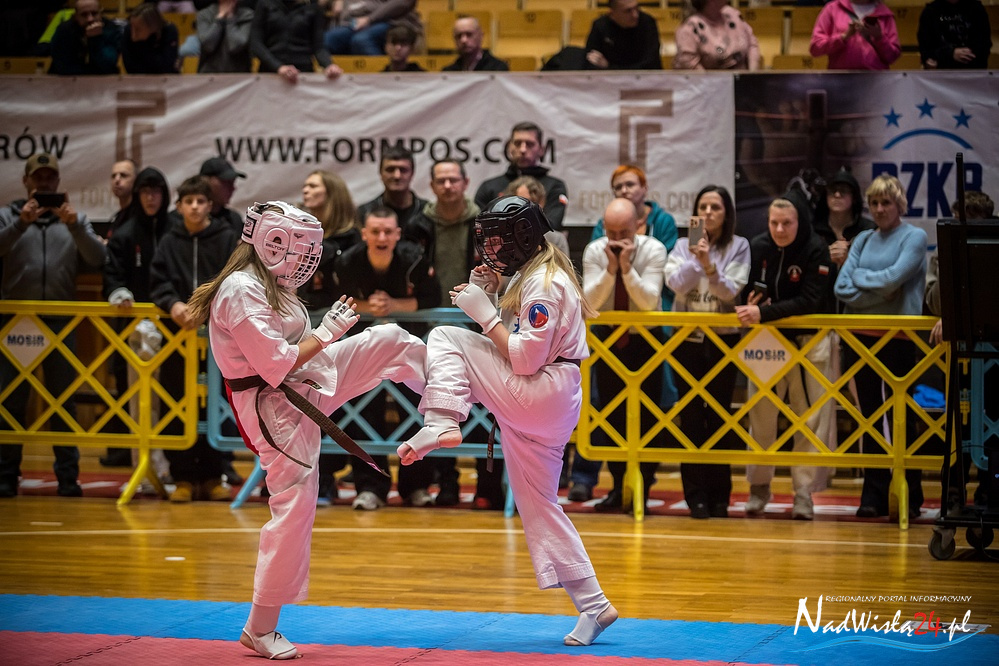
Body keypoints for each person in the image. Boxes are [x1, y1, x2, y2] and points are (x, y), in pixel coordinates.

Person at [186, 201, 427, 659]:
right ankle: (259, 628)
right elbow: (276, 364)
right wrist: (327, 333)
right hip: (272, 407)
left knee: (389, 339)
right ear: (270, 244)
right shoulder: (240, 290)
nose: (305, 259)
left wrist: (324, 334)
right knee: (294, 507)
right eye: (298, 249)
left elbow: (294, 350)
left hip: (302, 381)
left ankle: (450, 403)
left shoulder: (270, 281)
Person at [396, 195, 617, 647]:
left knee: (445, 336)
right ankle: (594, 605)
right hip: (550, 400)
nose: (491, 247)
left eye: (498, 239)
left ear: (523, 237)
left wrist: (483, 312)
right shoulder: (534, 276)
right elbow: (515, 342)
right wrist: (493, 298)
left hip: (542, 389)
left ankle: (442, 418)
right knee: (540, 507)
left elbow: (522, 359)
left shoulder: (545, 284)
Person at [0, 153, 107, 498]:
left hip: (61, 321)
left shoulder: (75, 219)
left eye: (49, 178)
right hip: (17, 322)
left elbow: (99, 259)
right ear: (26, 181)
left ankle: (68, 477)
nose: (44, 183)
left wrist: (74, 226)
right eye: (38, 178)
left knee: (64, 401)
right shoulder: (7, 216)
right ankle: (5, 476)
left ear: (58, 182)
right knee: (11, 400)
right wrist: (21, 223)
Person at [334, 207, 440, 509]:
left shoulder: (415, 259)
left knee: (418, 409)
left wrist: (394, 305)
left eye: (388, 232)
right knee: (362, 413)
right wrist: (370, 307)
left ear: (397, 235)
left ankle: (416, 486)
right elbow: (337, 300)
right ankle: (371, 486)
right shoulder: (346, 261)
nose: (381, 237)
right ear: (364, 234)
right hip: (363, 348)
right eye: (375, 231)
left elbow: (432, 298)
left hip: (409, 346)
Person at [735, 196, 834, 521]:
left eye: (786, 223)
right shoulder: (759, 246)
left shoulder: (816, 249)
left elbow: (811, 300)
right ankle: (759, 487)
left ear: (799, 222)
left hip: (808, 342)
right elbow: (747, 291)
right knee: (761, 417)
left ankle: (803, 492)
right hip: (766, 342)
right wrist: (752, 301)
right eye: (774, 222)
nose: (779, 229)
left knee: (809, 419)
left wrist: (764, 312)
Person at [834, 174, 926, 519]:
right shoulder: (862, 238)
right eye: (874, 203)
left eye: (886, 202)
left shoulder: (914, 237)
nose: (879, 209)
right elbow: (843, 288)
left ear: (899, 204)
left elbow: (895, 278)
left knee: (904, 417)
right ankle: (872, 495)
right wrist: (882, 291)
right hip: (860, 337)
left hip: (899, 337)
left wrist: (865, 282)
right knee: (869, 417)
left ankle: (911, 495)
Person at [663, 185, 750, 519]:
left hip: (723, 340)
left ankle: (720, 495)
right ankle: (695, 496)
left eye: (716, 207)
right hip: (687, 340)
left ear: (727, 213)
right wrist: (697, 262)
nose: (709, 213)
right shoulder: (682, 246)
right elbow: (675, 284)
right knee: (691, 416)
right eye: (703, 207)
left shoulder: (738, 245)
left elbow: (731, 292)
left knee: (719, 416)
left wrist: (709, 266)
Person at [150, 175, 238, 502]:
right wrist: (173, 304)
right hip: (179, 338)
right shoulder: (168, 241)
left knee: (217, 402)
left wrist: (210, 308)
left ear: (210, 205)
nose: (195, 207)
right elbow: (158, 281)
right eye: (189, 201)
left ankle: (215, 474)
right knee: (178, 401)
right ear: (179, 206)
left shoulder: (227, 239)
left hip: (218, 337)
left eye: (201, 201)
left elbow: (235, 280)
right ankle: (183, 477)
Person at [581, 198, 668, 512]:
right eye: (611, 232)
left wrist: (627, 269)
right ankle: (618, 486)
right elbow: (590, 302)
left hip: (646, 339)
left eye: (625, 233)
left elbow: (649, 302)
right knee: (611, 416)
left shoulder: (655, 249)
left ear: (638, 226)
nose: (617, 240)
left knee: (649, 415)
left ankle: (642, 486)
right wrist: (611, 270)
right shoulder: (595, 251)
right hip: (608, 341)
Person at [404, 159, 480, 507]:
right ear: (432, 186)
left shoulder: (483, 223)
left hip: (477, 326)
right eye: (441, 180)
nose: (448, 186)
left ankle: (487, 489)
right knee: (433, 408)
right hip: (428, 327)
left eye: (454, 179)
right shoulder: (417, 224)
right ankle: (439, 484)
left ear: (465, 182)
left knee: (478, 408)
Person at [102, 167, 174, 477]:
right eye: (145, 192)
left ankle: (173, 467)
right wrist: (119, 293)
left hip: (175, 327)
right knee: (140, 400)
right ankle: (144, 471)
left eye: (156, 191)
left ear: (164, 195)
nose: (150, 198)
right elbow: (112, 276)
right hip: (136, 330)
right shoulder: (125, 233)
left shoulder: (176, 230)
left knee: (174, 398)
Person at [927, 191, 995, 514]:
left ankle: (990, 491)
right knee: (958, 425)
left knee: (992, 422)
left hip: (992, 354)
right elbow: (933, 301)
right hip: (961, 355)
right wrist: (950, 256)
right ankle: (953, 495)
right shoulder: (942, 253)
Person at [475, 122, 568, 231]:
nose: (523, 149)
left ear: (541, 149)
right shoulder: (489, 187)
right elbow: (480, 227)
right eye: (517, 143)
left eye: (530, 144)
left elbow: (551, 225)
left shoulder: (554, 187)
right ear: (509, 147)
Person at [811, 168, 875, 309]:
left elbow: (876, 271)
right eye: (832, 191)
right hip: (820, 308)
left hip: (857, 308)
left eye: (843, 191)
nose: (837, 195)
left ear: (854, 197)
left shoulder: (869, 230)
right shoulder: (813, 230)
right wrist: (825, 258)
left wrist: (849, 262)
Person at [251, 0, 343, 83]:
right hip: (270, 73)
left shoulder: (313, 7)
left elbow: (319, 47)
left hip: (302, 74)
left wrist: (329, 65)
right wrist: (278, 67)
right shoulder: (265, 3)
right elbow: (256, 43)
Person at [810, 0, 901, 70]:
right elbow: (815, 48)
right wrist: (844, 37)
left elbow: (892, 57)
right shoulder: (832, 9)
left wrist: (879, 37)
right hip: (840, 79)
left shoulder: (885, 14)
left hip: (876, 80)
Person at [673, 0, 760, 70]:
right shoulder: (690, 27)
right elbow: (689, 64)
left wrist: (751, 74)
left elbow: (752, 44)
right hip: (709, 84)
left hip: (743, 81)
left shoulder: (733, 14)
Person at [356, 145, 428, 229]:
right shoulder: (365, 213)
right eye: (390, 170)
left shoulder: (427, 213)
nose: (397, 176)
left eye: (403, 170)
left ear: (412, 174)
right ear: (380, 173)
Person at [47, 0, 121, 75]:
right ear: (76, 16)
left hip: (102, 79)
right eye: (84, 15)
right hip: (69, 79)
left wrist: (95, 39)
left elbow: (108, 65)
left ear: (100, 12)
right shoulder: (64, 30)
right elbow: (63, 66)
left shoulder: (111, 29)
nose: (90, 19)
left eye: (94, 13)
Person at [323, 0, 421, 56]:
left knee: (361, 40)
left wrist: (370, 19)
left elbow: (404, 2)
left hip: (391, 20)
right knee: (327, 39)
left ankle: (381, 78)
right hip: (355, 21)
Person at [584, 0, 661, 70]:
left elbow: (650, 64)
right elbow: (591, 61)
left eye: (637, 8)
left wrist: (609, 67)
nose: (635, 15)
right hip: (609, 79)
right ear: (612, 13)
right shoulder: (600, 26)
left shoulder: (647, 23)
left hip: (645, 79)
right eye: (628, 11)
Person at [917, 0, 992, 69]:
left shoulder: (977, 9)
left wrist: (964, 55)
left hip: (972, 71)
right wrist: (950, 54)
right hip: (941, 74)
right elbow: (925, 51)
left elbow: (984, 45)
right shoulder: (930, 11)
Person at [197, 0, 255, 73]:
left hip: (239, 73)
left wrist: (230, 19)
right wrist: (220, 18)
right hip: (208, 72)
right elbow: (208, 45)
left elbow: (236, 45)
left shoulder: (247, 15)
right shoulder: (204, 14)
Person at [122, 2, 181, 74]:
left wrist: (144, 47)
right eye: (131, 26)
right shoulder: (128, 31)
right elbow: (130, 68)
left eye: (138, 29)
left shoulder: (169, 30)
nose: (133, 35)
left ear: (152, 27)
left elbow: (167, 67)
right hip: (138, 79)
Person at [442, 15, 509, 72]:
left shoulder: (498, 69)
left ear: (481, 36)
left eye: (469, 34)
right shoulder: (448, 73)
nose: (463, 40)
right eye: (459, 36)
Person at [200, 156, 246, 231]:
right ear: (205, 182)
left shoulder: (234, 220)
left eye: (232, 183)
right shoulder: (185, 220)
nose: (232, 188)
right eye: (226, 182)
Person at [109, 159, 138, 232]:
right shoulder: (118, 217)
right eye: (113, 176)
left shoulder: (139, 217)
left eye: (123, 175)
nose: (117, 180)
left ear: (136, 180)